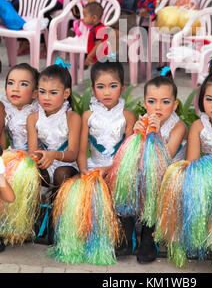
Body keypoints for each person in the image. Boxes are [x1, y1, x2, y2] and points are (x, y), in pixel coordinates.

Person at [117, 70, 187, 263]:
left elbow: (165, 158)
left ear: (175, 105)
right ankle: (127, 233)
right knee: (127, 177)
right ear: (144, 102)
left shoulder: (178, 127)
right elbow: (131, 157)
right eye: (152, 101)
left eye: (165, 102)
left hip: (167, 177)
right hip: (144, 174)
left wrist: (153, 133)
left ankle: (150, 237)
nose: (158, 107)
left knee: (152, 183)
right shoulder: (142, 121)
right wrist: (137, 137)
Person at [27, 63, 81, 192]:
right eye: (42, 91)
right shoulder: (33, 118)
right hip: (45, 165)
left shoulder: (72, 118)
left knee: (61, 174)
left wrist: (54, 155)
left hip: (66, 166)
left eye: (53, 93)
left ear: (66, 93)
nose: (46, 97)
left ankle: (58, 208)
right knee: (30, 173)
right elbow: (33, 153)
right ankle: (35, 208)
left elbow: (73, 154)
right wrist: (37, 159)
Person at [77, 60, 136, 175]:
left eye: (113, 86)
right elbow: (82, 151)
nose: (107, 92)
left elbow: (128, 153)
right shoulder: (88, 116)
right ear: (93, 88)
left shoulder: (128, 116)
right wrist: (84, 171)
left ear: (123, 87)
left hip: (120, 169)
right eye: (100, 87)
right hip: (93, 167)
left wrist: (109, 169)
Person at [0, 63, 39, 152]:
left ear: (35, 93)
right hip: (13, 156)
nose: (15, 89)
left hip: (38, 159)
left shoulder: (38, 111)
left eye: (23, 84)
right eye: (11, 83)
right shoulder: (5, 108)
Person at [81, 2, 107, 66]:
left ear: (94, 18)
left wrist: (89, 56)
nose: (83, 18)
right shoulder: (101, 27)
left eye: (85, 16)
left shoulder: (97, 30)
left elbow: (99, 45)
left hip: (98, 59)